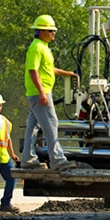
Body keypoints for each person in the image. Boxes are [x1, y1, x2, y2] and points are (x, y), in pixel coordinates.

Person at [20, 14, 79, 171]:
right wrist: (41, 92)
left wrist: (68, 74)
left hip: (39, 93)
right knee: (51, 124)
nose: (54, 33)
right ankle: (57, 160)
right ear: (41, 32)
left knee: (33, 127)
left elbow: (48, 69)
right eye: (50, 30)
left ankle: (27, 159)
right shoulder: (37, 47)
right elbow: (33, 70)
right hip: (40, 93)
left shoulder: (43, 47)